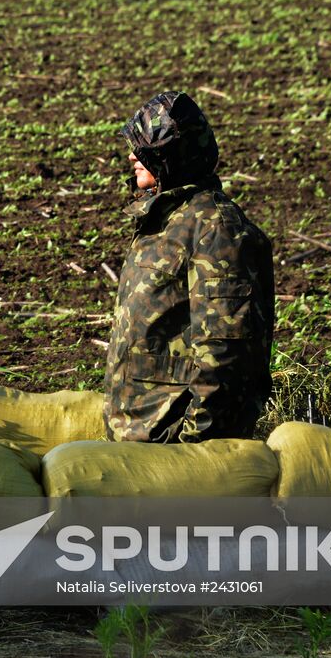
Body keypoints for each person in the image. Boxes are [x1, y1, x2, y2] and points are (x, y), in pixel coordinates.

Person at [103, 91, 274, 443]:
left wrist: (194, 446)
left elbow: (226, 354)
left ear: (173, 156)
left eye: (146, 149)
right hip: (142, 439)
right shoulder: (166, 220)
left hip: (175, 450)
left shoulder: (216, 229)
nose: (132, 156)